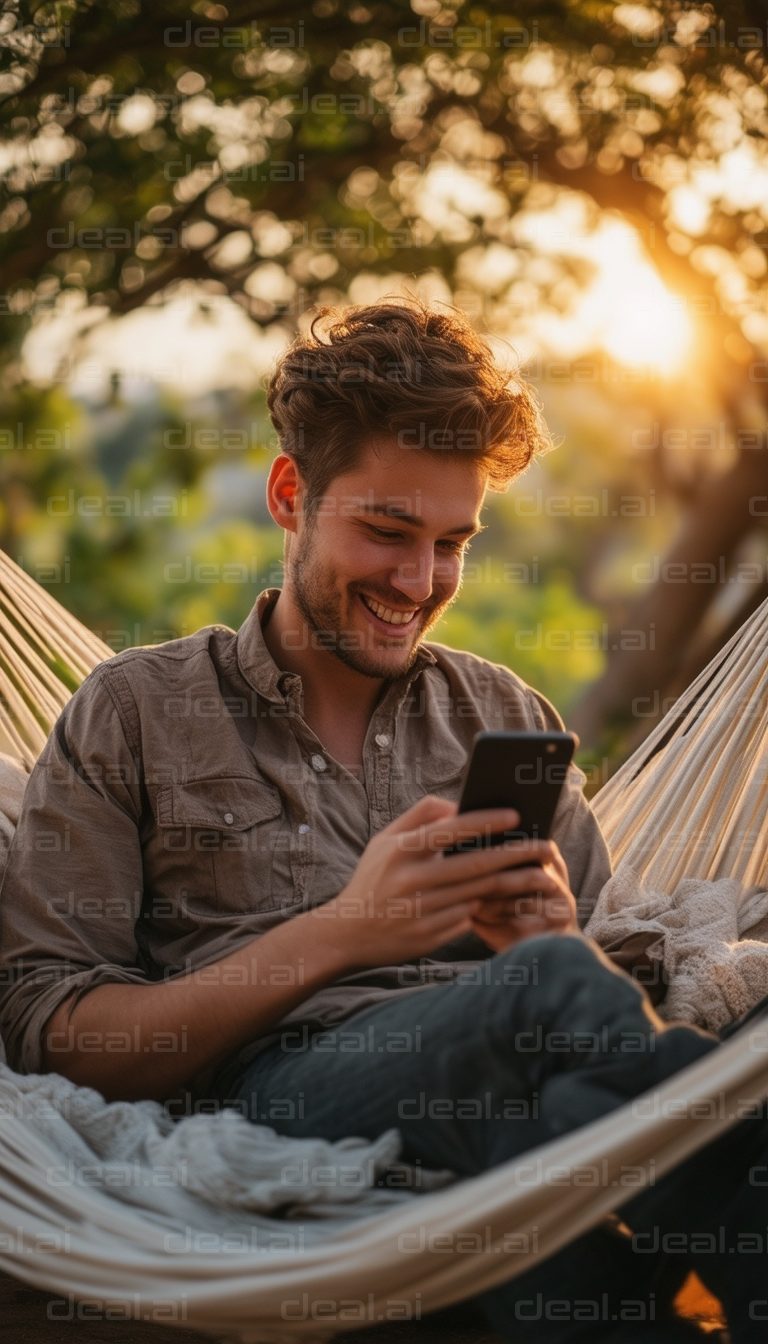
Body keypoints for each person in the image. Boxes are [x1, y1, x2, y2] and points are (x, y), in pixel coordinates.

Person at [0, 302, 763, 1340]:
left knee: (555, 1120)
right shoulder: (137, 709)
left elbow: (597, 1018)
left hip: (501, 1102)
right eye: (387, 531)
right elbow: (53, 1039)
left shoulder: (502, 715)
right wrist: (344, 934)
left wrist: (547, 942)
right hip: (278, 1095)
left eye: (452, 544)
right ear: (289, 496)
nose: (418, 583)